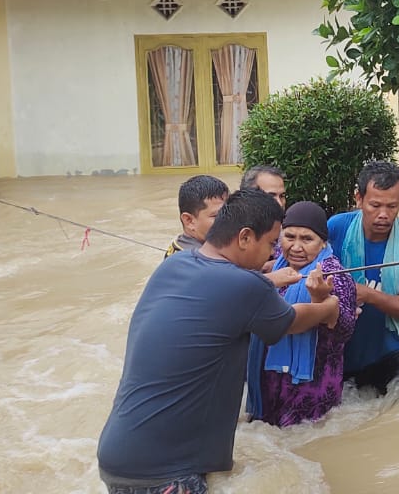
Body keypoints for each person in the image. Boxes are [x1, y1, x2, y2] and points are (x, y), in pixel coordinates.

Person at [97, 189, 342, 494]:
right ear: (243, 237)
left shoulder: (175, 264)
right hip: (167, 473)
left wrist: (268, 280)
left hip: (119, 454)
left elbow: (223, 293)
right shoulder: (245, 286)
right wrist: (327, 308)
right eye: (269, 244)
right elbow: (290, 321)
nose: (271, 255)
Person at [247, 201, 359, 427]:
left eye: (307, 239)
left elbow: (346, 330)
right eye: (290, 237)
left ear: (323, 242)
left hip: (311, 383)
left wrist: (322, 301)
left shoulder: (334, 275)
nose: (296, 247)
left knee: (305, 438)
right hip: (270, 376)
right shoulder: (274, 263)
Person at [327, 160, 399, 395]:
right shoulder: (336, 228)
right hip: (342, 353)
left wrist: (366, 294)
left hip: (394, 356)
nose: (383, 214)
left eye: (392, 206)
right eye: (375, 205)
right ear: (358, 199)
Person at [165, 175, 230, 259]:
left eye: (228, 211)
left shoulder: (179, 245)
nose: (228, 219)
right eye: (217, 215)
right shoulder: (201, 262)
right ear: (189, 221)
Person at [240, 164, 288, 262]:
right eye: (271, 196)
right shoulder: (231, 230)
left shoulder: (287, 229)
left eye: (282, 196)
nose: (279, 203)